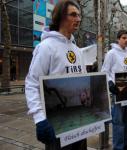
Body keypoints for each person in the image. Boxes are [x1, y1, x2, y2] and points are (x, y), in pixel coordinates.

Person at [25, 0, 87, 149]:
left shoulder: (77, 50)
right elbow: (32, 83)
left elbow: (84, 82)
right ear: (60, 17)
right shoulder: (45, 47)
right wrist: (39, 119)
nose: (78, 19)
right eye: (73, 15)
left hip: (79, 121)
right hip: (56, 124)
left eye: (79, 15)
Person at [101, 30, 127, 150]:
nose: (126, 40)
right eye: (123, 38)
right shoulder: (111, 53)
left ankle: (126, 143)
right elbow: (105, 71)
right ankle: (118, 147)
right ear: (118, 39)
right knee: (118, 121)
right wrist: (110, 83)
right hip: (117, 93)